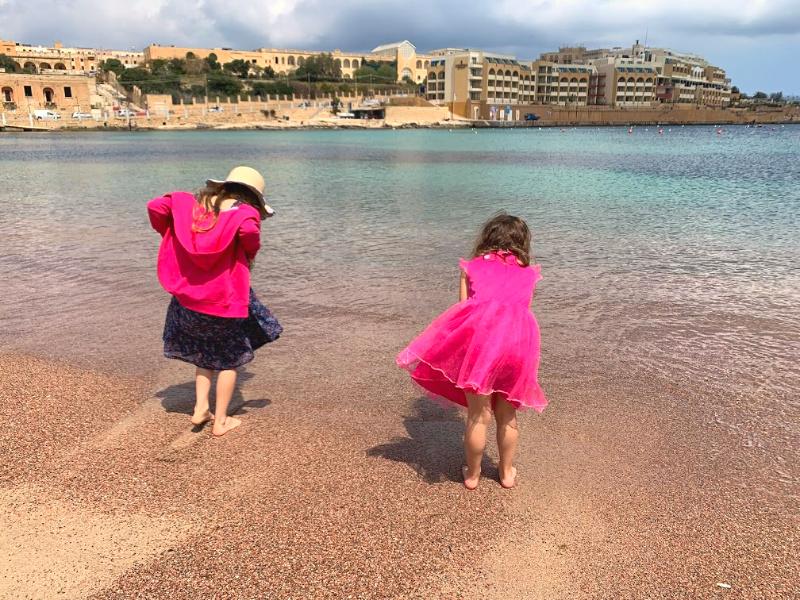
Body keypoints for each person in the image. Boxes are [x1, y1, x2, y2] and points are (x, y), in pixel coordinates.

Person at [396, 214, 547, 489]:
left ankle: (473, 474)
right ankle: (506, 473)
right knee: (507, 416)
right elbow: (524, 310)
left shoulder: (471, 267)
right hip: (518, 346)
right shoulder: (529, 272)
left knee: (479, 415)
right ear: (522, 242)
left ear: (487, 237)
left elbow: (462, 312)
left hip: (483, 347)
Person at [147, 166, 282, 437]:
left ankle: (200, 409)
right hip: (223, 302)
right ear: (253, 197)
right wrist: (246, 242)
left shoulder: (195, 210)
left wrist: (180, 206)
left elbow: (156, 206)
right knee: (230, 361)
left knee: (204, 354)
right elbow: (250, 238)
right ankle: (220, 421)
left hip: (188, 300)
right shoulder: (245, 214)